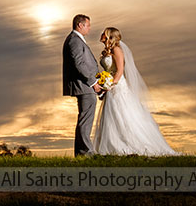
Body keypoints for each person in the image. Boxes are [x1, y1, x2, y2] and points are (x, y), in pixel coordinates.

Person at [93, 27, 178, 156]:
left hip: (117, 87)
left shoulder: (117, 50)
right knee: (112, 115)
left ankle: (127, 144)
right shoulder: (108, 51)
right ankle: (111, 144)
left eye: (104, 34)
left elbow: (120, 71)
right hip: (111, 86)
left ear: (109, 36)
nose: (101, 35)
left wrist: (109, 85)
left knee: (122, 114)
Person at [62, 14, 103, 157]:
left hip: (85, 85)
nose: (90, 28)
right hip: (84, 85)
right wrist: (93, 83)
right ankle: (86, 152)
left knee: (84, 118)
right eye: (88, 25)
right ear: (80, 25)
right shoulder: (74, 40)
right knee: (85, 119)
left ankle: (81, 152)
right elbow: (79, 64)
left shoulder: (76, 40)